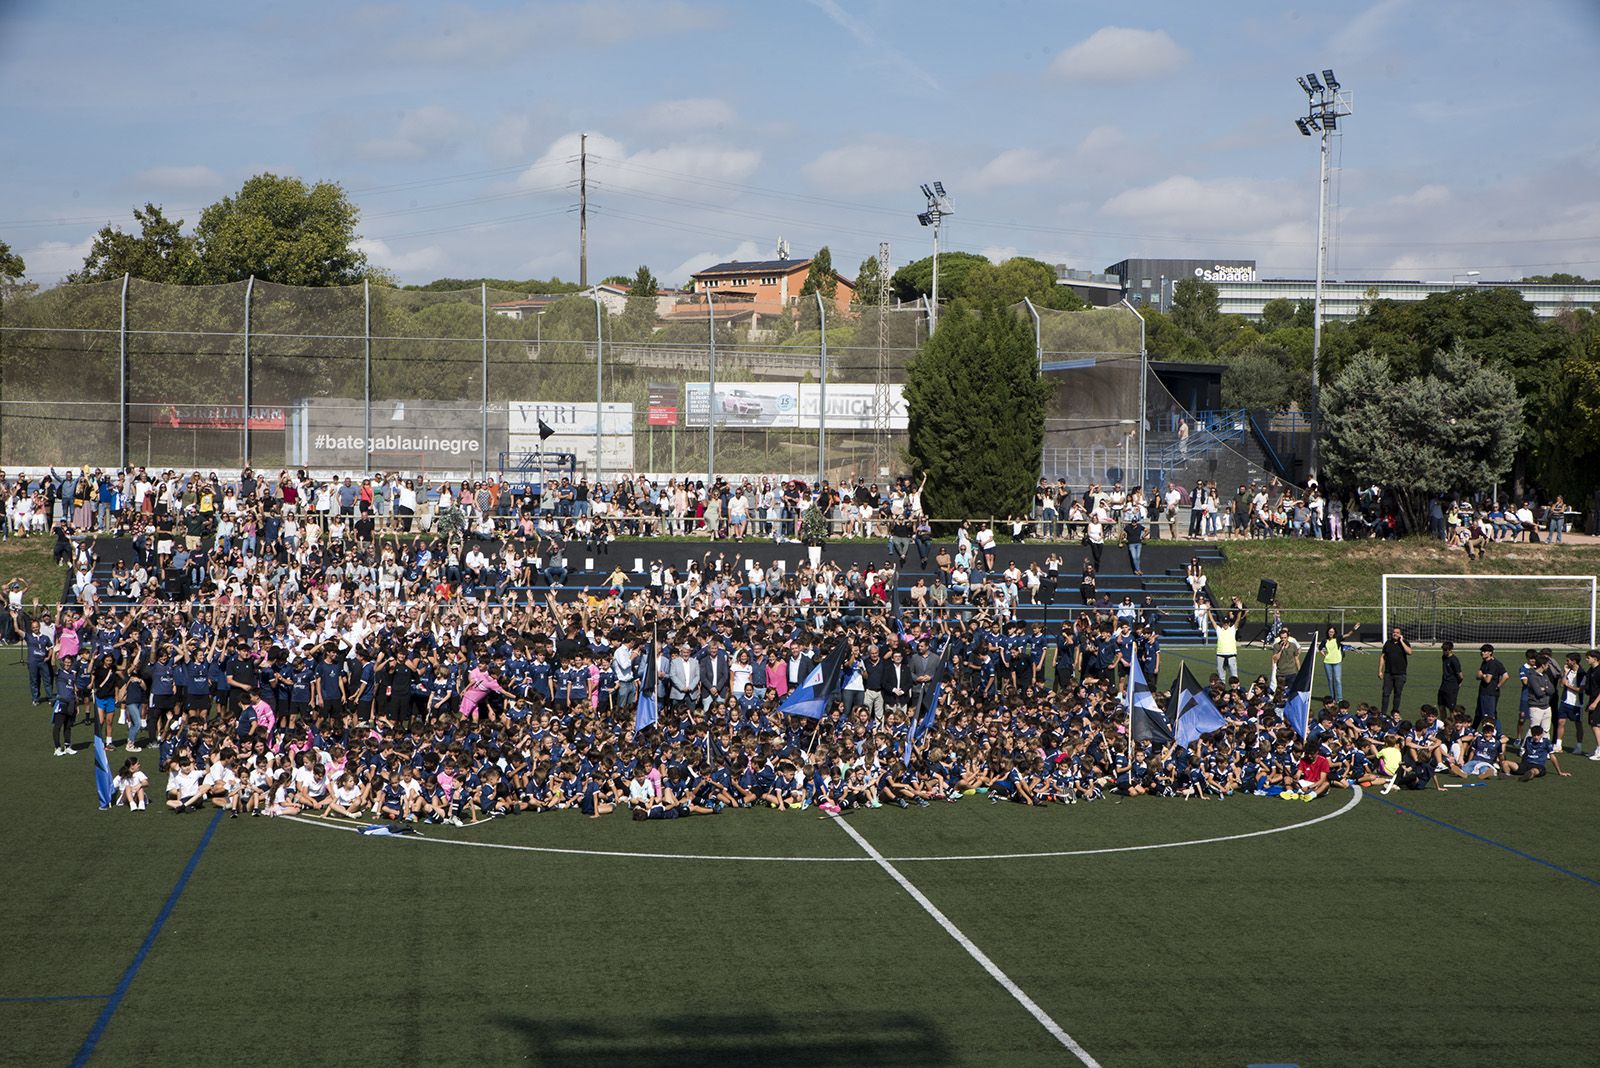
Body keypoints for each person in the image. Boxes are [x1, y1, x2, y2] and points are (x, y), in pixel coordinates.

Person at [1377, 626, 1412, 715]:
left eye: (1397, 632)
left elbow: (1409, 652)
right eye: (1394, 632)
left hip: (1400, 674)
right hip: (1389, 673)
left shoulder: (1404, 643)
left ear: (1400, 634)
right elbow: (1382, 657)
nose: (1395, 634)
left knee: (1397, 694)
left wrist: (1401, 642)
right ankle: (1383, 713)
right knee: (1385, 694)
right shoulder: (1388, 643)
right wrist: (1380, 670)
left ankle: (1395, 712)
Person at [1474, 644, 1508, 732]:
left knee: (1487, 716)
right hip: (1488, 692)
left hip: (1488, 693)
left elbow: (1487, 679)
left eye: (1484, 651)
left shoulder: (1492, 664)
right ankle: (1497, 733)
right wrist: (1498, 685)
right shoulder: (1490, 662)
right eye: (1481, 651)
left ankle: (1491, 733)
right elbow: (1505, 675)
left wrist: (1484, 676)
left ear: (1490, 653)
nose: (1482, 653)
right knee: (1486, 714)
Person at [1437, 641, 1463, 713]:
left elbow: (1460, 676)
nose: (1444, 652)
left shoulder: (1454, 660)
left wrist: (1459, 683)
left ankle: (1452, 723)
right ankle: (1444, 724)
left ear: (1451, 649)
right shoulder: (1444, 657)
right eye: (1443, 650)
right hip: (1443, 685)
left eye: (1446, 650)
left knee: (1451, 709)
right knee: (1441, 706)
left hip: (1451, 687)